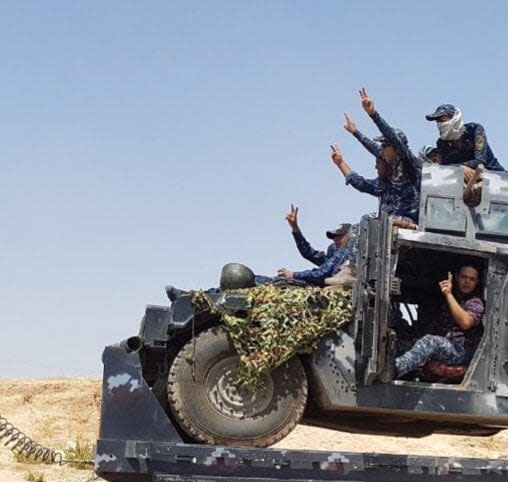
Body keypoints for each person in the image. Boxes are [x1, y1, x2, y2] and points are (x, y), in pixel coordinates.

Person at [163, 205, 353, 300]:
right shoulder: (334, 251)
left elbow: (322, 275)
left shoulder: (346, 252)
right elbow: (310, 254)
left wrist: (293, 274)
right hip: (311, 284)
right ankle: (198, 296)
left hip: (314, 289)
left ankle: (196, 298)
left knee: (253, 282)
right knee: (257, 280)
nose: (334, 240)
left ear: (347, 236)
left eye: (338, 236)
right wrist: (295, 228)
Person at [425, 103, 508, 246]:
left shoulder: (475, 130)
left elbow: (480, 160)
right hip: (463, 183)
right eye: (438, 121)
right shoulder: (442, 144)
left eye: (442, 119)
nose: (440, 124)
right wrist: (461, 169)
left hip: (495, 175)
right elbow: (444, 170)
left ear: (454, 118)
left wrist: (462, 167)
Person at [333, 88, 422, 222]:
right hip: (387, 231)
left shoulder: (410, 166)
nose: (381, 150)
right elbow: (361, 183)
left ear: (394, 148)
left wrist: (373, 114)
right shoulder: (386, 183)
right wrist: (341, 161)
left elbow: (392, 138)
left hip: (408, 228)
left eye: (384, 146)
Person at [395, 264, 485, 377]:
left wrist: (448, 294)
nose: (467, 281)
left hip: (461, 350)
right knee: (403, 345)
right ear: (457, 277)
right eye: (464, 277)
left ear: (477, 282)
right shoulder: (449, 298)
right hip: (444, 347)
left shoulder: (475, 302)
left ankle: (395, 370)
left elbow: (465, 322)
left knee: (431, 342)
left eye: (472, 279)